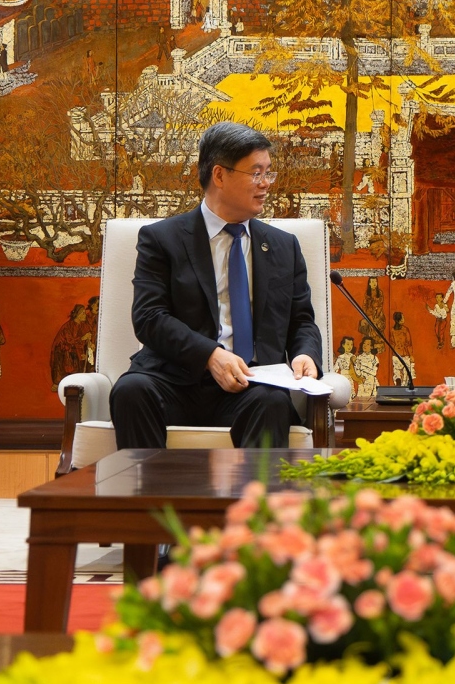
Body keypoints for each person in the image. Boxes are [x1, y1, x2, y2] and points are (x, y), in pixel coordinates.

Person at [108, 122, 323, 449]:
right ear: (219, 175)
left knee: (272, 403)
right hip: (174, 380)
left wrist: (305, 354)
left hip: (250, 385)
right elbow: (149, 317)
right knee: (131, 391)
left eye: (269, 173)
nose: (266, 184)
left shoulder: (283, 247)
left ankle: (253, 501)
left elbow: (301, 320)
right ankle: (148, 499)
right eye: (256, 173)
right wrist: (210, 355)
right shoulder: (162, 240)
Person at [387, 313, 415, 387]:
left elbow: (392, 343)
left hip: (396, 354)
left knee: (397, 371)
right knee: (406, 373)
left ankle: (398, 381)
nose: (404, 319)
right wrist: (411, 355)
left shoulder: (392, 330)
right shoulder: (405, 330)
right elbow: (408, 343)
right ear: (399, 321)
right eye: (402, 318)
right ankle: (403, 386)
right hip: (404, 354)